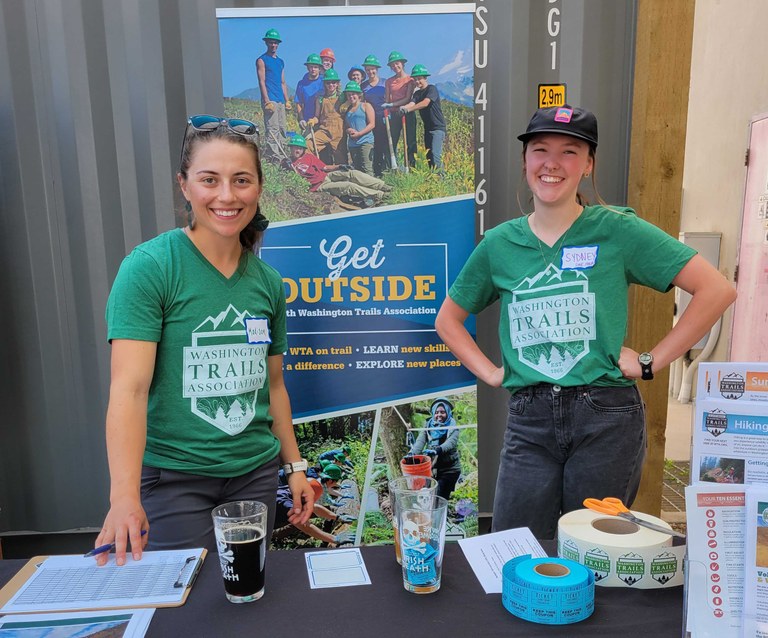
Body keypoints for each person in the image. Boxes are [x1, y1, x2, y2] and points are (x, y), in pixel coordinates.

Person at [435, 105, 737, 540]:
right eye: (540, 149)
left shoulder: (616, 230)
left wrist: (653, 360)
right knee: (514, 549)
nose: (552, 163)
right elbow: (448, 320)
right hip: (530, 419)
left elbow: (717, 290)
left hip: (606, 418)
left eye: (570, 151)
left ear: (589, 164)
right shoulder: (500, 244)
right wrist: (492, 372)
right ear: (525, 162)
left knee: (594, 550)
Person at [94, 115, 314, 565]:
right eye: (209, 180)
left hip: (254, 476)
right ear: (184, 186)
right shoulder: (152, 268)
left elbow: (272, 386)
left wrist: (294, 469)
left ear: (258, 187)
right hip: (175, 480)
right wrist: (123, 497)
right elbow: (129, 391)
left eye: (241, 180)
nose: (227, 196)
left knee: (247, 597)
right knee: (183, 610)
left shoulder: (268, 283)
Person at [285, 133, 391, 207]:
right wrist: (287, 168)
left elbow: (325, 167)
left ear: (303, 149)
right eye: (294, 147)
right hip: (319, 186)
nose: (297, 150)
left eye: (299, 148)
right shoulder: (288, 164)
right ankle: (381, 195)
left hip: (326, 176)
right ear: (291, 148)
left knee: (351, 173)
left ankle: (383, 186)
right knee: (348, 186)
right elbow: (288, 181)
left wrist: (339, 166)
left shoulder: (309, 157)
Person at [273, 479, 355, 546]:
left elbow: (315, 507)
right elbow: (307, 527)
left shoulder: (296, 491)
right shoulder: (285, 504)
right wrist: (335, 539)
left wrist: (337, 517)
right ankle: (274, 537)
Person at [408, 398, 462, 501]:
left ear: (448, 412)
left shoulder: (453, 427)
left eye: (442, 412)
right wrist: (412, 453)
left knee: (439, 497)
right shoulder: (428, 425)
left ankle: (441, 516)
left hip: (449, 470)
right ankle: (431, 515)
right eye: (436, 412)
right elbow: (420, 440)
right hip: (432, 468)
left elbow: (451, 443)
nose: (439, 415)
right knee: (429, 495)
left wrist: (438, 449)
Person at [400, 65, 446, 171]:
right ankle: (433, 178)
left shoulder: (432, 89)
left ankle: (442, 180)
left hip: (437, 127)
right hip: (428, 128)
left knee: (435, 155)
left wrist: (409, 110)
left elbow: (425, 103)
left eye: (419, 78)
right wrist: (403, 108)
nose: (417, 82)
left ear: (425, 78)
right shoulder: (417, 93)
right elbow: (411, 103)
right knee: (429, 156)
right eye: (415, 79)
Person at [256, 28, 291, 161]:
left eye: (275, 43)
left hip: (280, 99)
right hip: (270, 98)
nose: (273, 45)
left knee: (282, 128)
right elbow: (262, 81)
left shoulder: (280, 61)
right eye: (271, 42)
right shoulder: (261, 60)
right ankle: (274, 158)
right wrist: (266, 101)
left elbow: (283, 82)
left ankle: (282, 156)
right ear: (266, 43)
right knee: (272, 129)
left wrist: (287, 100)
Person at [382, 51, 416, 168]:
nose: (395, 67)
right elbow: (387, 98)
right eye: (392, 65)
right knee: (391, 141)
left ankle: (411, 168)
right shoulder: (389, 81)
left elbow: (407, 98)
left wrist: (392, 104)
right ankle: (392, 167)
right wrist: (387, 106)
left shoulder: (410, 80)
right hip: (394, 114)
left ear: (402, 63)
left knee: (410, 141)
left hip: (407, 113)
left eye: (397, 64)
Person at [306, 68, 346, 164]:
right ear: (325, 84)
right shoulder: (320, 99)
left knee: (340, 158)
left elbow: (358, 96)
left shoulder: (342, 97)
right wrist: (312, 120)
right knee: (309, 144)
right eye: (328, 83)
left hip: (339, 132)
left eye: (333, 82)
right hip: (324, 130)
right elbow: (317, 117)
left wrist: (347, 103)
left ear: (337, 84)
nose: (331, 85)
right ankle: (312, 169)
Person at [360, 55, 388, 177]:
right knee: (374, 145)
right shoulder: (363, 86)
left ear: (377, 69)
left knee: (386, 144)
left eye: (373, 69)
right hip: (371, 120)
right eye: (368, 69)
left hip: (385, 118)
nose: (370, 72)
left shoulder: (385, 83)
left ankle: (388, 169)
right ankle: (377, 171)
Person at [343, 81, 376, 175]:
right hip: (353, 144)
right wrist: (348, 130)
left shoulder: (366, 106)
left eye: (353, 94)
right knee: (357, 170)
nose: (351, 97)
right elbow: (347, 126)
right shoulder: (347, 110)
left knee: (367, 168)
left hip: (365, 141)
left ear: (359, 95)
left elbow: (372, 124)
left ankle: (373, 188)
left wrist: (359, 134)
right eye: (349, 95)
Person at [295, 53, 324, 132]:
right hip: (307, 121)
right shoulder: (301, 83)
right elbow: (298, 103)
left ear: (320, 69)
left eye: (315, 67)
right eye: (311, 67)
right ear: (307, 68)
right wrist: (301, 119)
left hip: (322, 122)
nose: (313, 69)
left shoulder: (324, 82)